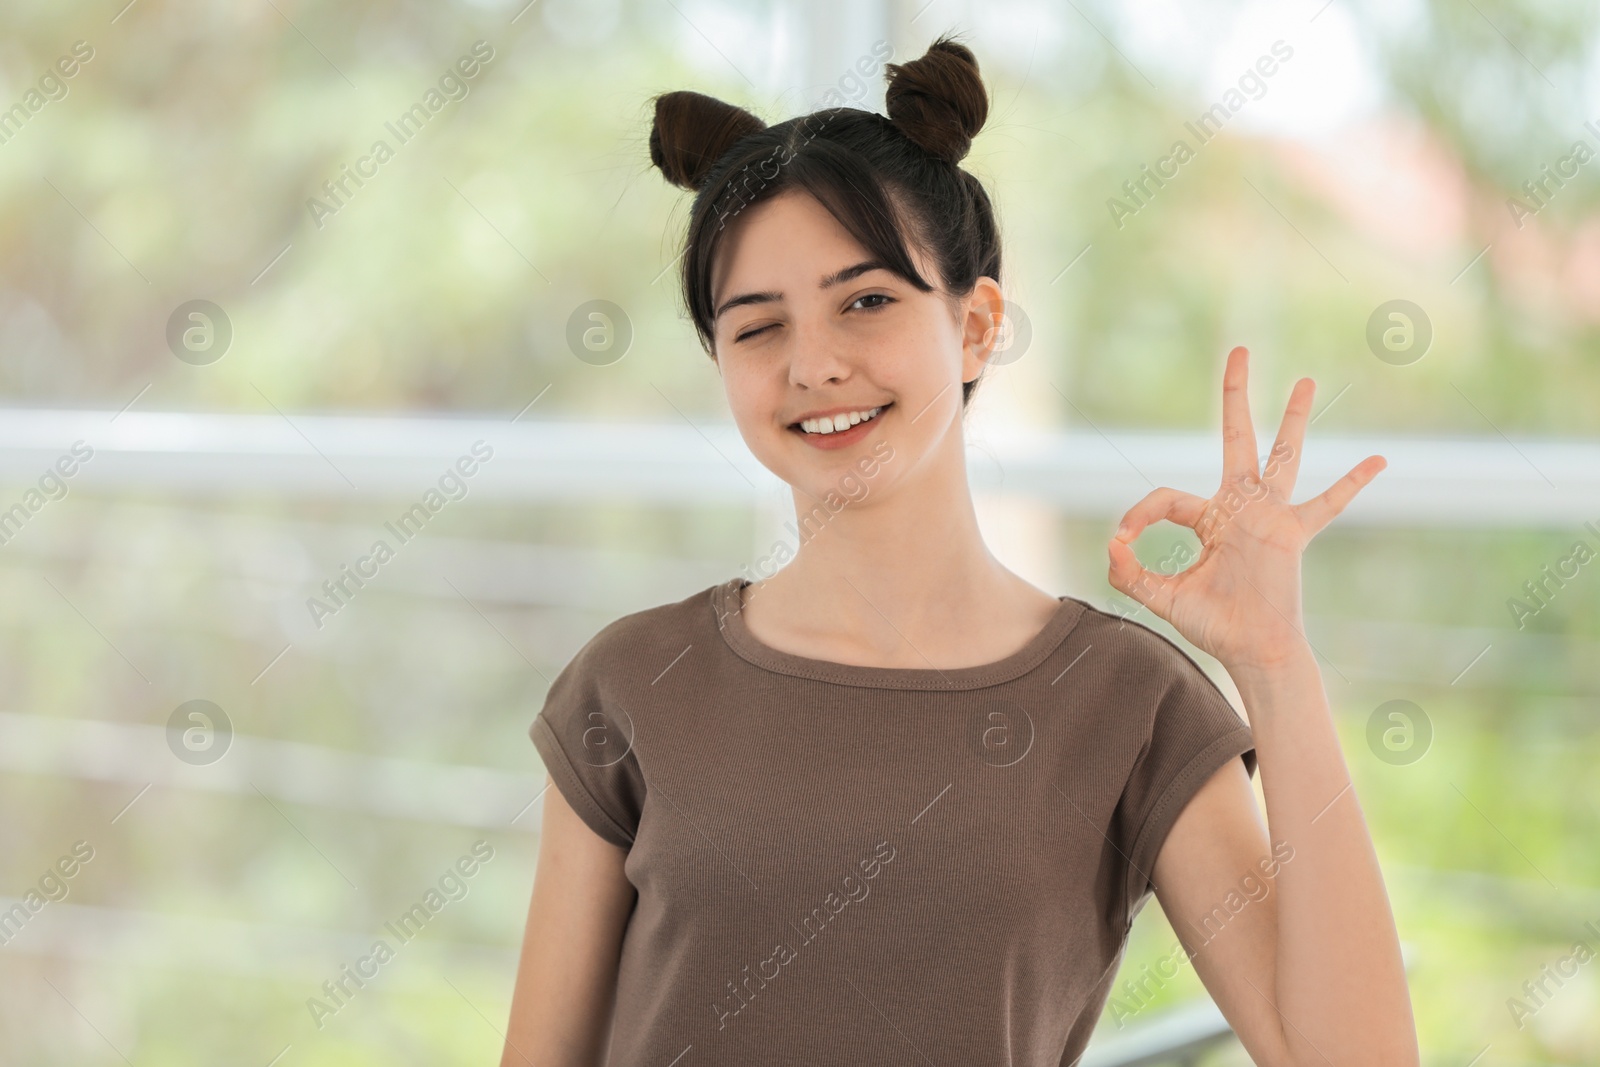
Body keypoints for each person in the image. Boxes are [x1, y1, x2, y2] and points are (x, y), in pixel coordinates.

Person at [501, 31, 1418, 1067]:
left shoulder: (1127, 703)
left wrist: (1274, 663)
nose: (812, 364)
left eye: (866, 301)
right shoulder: (630, 683)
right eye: (757, 327)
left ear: (976, 325)